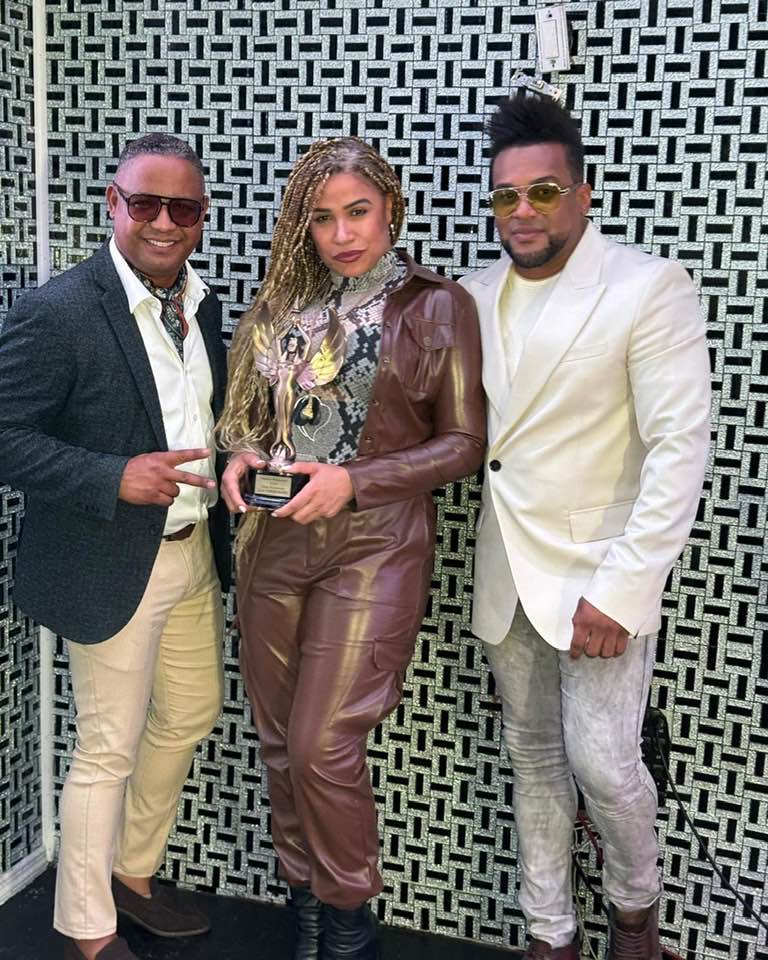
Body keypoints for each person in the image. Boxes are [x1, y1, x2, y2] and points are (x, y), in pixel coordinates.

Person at [218, 136, 486, 960]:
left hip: (375, 544)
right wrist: (240, 455)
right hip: (272, 542)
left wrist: (356, 480)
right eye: (323, 218)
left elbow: (465, 443)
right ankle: (304, 904)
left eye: (358, 212)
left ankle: (346, 922)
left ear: (391, 209)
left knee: (320, 744)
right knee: (277, 741)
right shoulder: (280, 304)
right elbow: (250, 420)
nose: (341, 234)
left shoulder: (436, 306)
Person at [459, 94, 710, 960]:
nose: (522, 211)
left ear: (583, 193)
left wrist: (626, 588)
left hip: (600, 579)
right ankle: (550, 935)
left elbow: (680, 449)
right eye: (506, 196)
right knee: (532, 758)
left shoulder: (647, 287)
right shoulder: (471, 295)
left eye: (543, 191)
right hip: (507, 575)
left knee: (604, 764)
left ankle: (636, 922)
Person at [0, 133, 230, 960]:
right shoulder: (58, 311)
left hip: (194, 550)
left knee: (193, 711)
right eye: (146, 203)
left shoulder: (201, 303)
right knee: (107, 748)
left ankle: (132, 874)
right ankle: (89, 930)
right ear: (113, 204)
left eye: (183, 208)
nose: (165, 223)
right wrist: (112, 476)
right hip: (108, 560)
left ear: (201, 216)